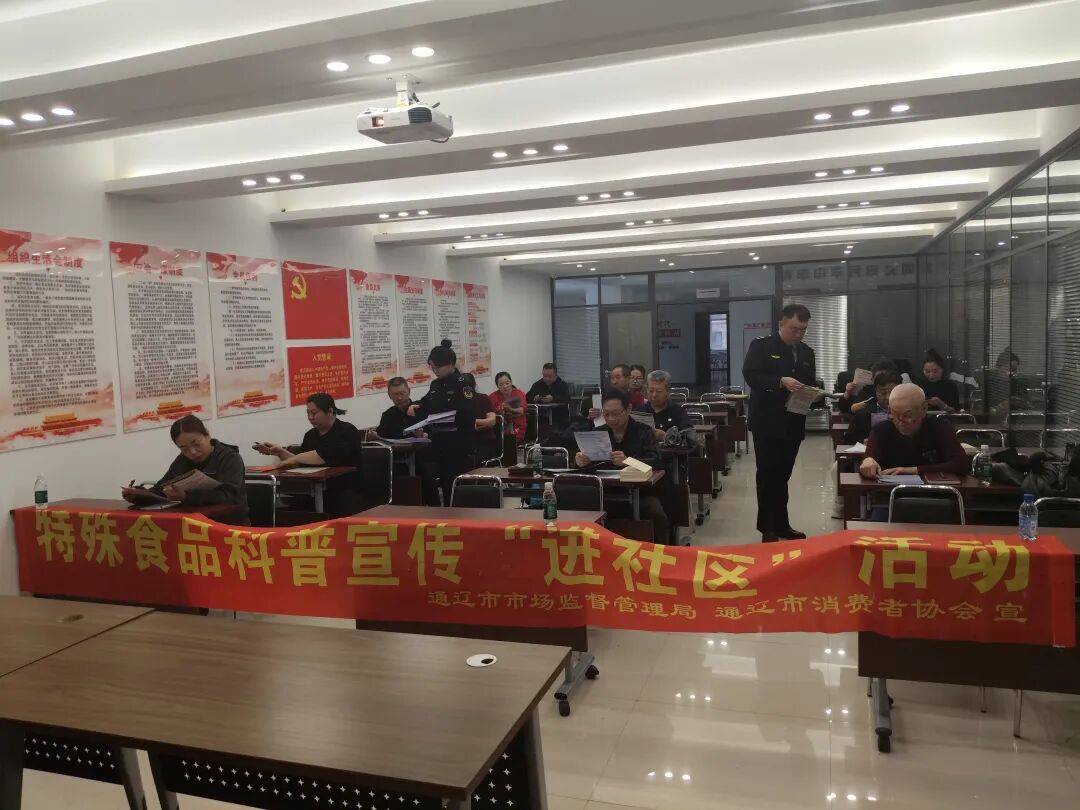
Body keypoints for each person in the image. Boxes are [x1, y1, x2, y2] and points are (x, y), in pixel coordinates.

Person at [743, 303, 819, 542]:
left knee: (782, 476)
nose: (799, 334)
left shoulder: (807, 352)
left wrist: (816, 394)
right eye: (794, 329)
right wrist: (779, 381)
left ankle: (782, 524)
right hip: (767, 422)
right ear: (781, 324)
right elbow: (751, 375)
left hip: (793, 422)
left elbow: (810, 383)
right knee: (768, 475)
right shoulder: (762, 346)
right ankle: (768, 529)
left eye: (803, 330)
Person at [574, 389, 669, 543]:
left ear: (628, 409)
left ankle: (660, 552)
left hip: (640, 492)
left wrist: (628, 460)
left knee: (655, 512)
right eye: (606, 414)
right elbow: (588, 467)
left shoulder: (643, 431)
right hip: (606, 492)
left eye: (616, 413)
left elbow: (657, 461)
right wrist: (580, 462)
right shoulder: (598, 432)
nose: (611, 419)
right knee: (580, 508)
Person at [253, 392, 365, 517]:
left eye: (314, 413)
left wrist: (293, 459)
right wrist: (279, 452)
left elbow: (321, 456)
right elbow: (300, 462)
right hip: (313, 491)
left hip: (344, 491)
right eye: (308, 413)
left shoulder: (347, 431)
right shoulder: (310, 435)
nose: (310, 417)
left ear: (330, 411)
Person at [123, 414, 249, 524]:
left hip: (230, 525)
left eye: (196, 444)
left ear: (207, 435)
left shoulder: (229, 458)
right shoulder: (182, 461)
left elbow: (230, 496)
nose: (192, 452)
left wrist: (186, 496)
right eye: (184, 448)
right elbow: (161, 489)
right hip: (195, 523)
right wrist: (139, 496)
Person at [408, 340, 477, 504]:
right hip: (438, 442)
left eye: (437, 368)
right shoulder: (436, 384)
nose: (435, 371)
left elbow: (467, 414)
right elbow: (426, 403)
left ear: (450, 364)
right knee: (437, 482)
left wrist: (442, 416)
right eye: (432, 368)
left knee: (454, 488)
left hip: (457, 443)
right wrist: (414, 406)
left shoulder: (463, 383)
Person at [859, 383, 969, 479]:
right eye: (895, 414)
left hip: (935, 491)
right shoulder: (881, 430)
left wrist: (911, 470)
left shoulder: (940, 427)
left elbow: (961, 464)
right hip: (890, 493)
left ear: (924, 408)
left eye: (907, 415)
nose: (901, 421)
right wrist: (867, 462)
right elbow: (868, 459)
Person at [844, 370, 902, 444]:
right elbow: (848, 439)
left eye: (892, 393)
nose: (888, 397)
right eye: (883, 393)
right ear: (876, 392)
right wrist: (862, 442)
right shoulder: (862, 414)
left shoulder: (909, 413)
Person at [637, 369, 691, 439]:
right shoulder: (639, 411)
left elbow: (689, 438)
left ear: (668, 392)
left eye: (659, 391)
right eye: (651, 391)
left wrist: (666, 436)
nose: (654, 395)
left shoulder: (678, 412)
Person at [527, 363, 572, 427]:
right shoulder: (537, 384)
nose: (547, 379)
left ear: (556, 375)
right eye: (544, 376)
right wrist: (534, 398)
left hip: (559, 419)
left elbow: (567, 399)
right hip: (541, 419)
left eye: (550, 376)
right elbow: (527, 398)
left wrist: (553, 398)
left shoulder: (562, 385)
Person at [489, 371, 527, 442]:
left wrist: (510, 409)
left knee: (506, 441)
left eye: (507, 383)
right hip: (500, 428)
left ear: (511, 382)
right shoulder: (492, 397)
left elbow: (521, 411)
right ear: (497, 386)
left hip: (517, 427)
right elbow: (490, 414)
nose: (505, 386)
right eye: (501, 385)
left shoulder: (519, 393)